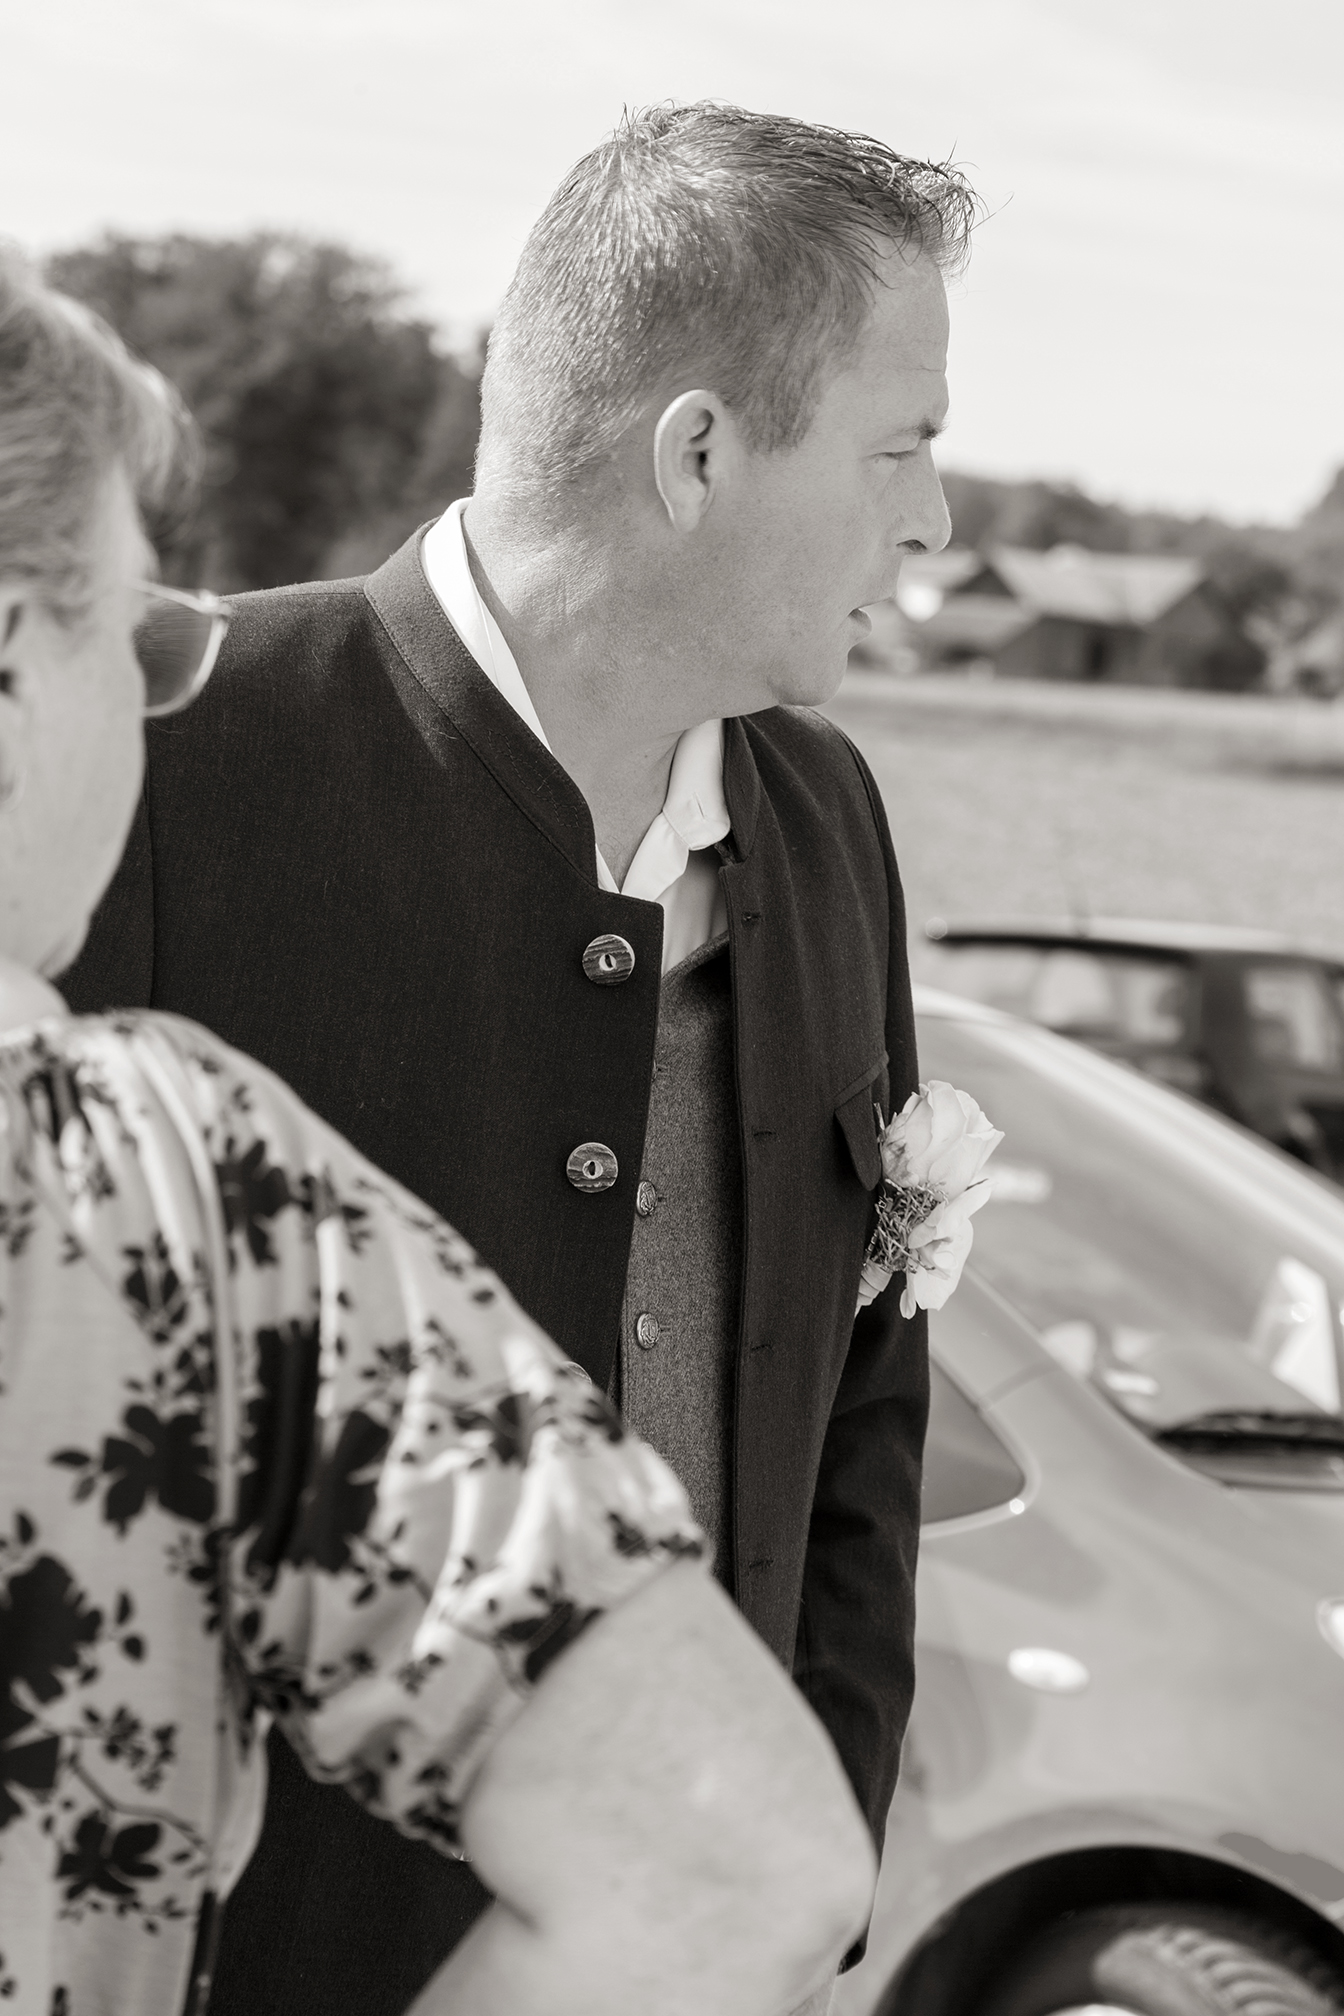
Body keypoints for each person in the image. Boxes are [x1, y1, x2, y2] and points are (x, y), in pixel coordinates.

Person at [66, 103, 975, 2013]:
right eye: (902, 449)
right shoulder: (167, 762)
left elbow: (864, 1419)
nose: (935, 527)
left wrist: (802, 1883)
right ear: (700, 453)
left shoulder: (832, 822)